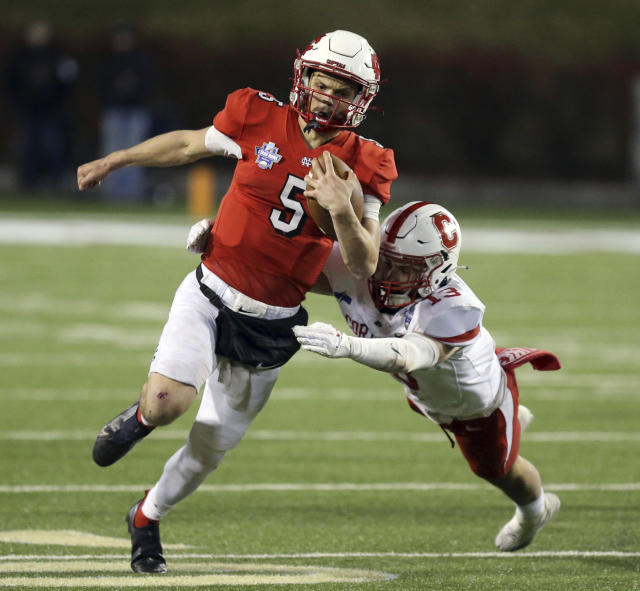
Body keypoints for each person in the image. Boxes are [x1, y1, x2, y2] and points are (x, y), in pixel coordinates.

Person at [77, 30, 397, 574]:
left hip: (274, 322)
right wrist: (120, 158)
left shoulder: (367, 161)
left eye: (343, 90)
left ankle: (145, 517)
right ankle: (140, 416)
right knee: (166, 404)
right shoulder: (255, 114)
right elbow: (186, 144)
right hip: (211, 290)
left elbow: (365, 263)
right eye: (322, 82)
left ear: (360, 100)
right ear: (304, 78)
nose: (328, 97)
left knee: (208, 449)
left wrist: (342, 211)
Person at [293, 201, 561, 552]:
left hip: (476, 406)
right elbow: (291, 264)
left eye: (402, 267)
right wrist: (222, 246)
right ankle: (513, 423)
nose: (385, 271)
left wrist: (346, 345)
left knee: (495, 470)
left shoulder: (455, 308)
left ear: (436, 270)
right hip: (430, 395)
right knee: (429, 402)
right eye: (383, 257)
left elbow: (410, 355)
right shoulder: (364, 263)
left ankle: (534, 511)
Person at [5, 20, 78, 191]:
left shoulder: (56, 55)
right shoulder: (20, 56)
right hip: (27, 110)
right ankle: (27, 182)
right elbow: (11, 82)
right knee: (25, 147)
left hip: (51, 110)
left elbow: (68, 80)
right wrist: (16, 103)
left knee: (52, 145)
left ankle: (53, 181)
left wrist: (61, 102)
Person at [98, 21, 158, 201]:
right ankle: (110, 193)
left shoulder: (141, 61)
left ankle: (131, 193)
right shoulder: (109, 62)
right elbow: (101, 85)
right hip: (114, 111)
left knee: (135, 153)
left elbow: (150, 84)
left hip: (136, 111)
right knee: (111, 152)